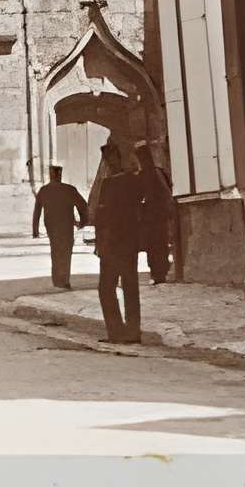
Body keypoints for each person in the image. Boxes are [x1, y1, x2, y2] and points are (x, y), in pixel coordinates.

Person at [91, 140, 145, 344]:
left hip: (112, 243)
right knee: (130, 286)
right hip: (129, 241)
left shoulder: (109, 184)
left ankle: (117, 331)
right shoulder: (134, 180)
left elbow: (103, 217)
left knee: (106, 288)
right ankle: (132, 331)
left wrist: (100, 244)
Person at [31, 164, 89, 291]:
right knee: (66, 252)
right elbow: (83, 206)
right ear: (60, 175)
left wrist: (35, 230)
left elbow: (37, 212)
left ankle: (57, 280)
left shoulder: (44, 190)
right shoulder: (69, 190)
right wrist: (83, 222)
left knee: (55, 250)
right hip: (66, 225)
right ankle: (64, 280)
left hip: (51, 226)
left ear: (50, 175)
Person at [134, 146, 174, 287]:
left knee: (157, 244)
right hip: (153, 215)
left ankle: (159, 272)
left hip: (155, 215)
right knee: (155, 244)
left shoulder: (152, 174)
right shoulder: (154, 173)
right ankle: (158, 272)